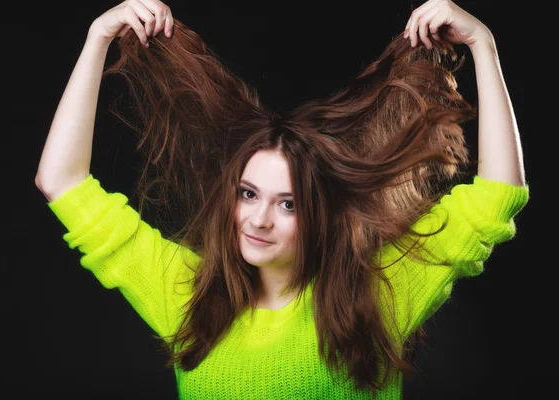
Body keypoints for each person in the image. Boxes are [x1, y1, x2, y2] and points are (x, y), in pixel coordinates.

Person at [35, 0, 529, 398]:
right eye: (248, 194)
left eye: (288, 204)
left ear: (323, 214)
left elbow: (499, 194)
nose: (259, 218)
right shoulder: (184, 294)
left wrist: (482, 44)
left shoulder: (379, 295)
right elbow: (61, 180)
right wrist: (99, 37)